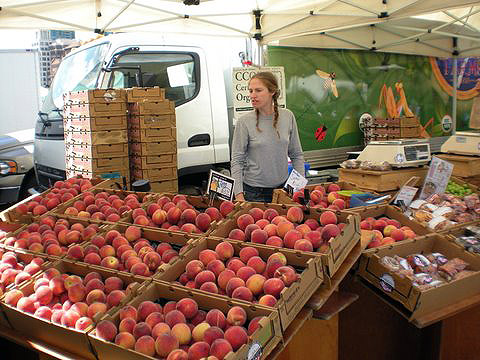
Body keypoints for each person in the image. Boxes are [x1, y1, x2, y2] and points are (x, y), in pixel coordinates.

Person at [231, 71, 305, 203]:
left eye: (258, 90)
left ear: (272, 92)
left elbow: (297, 155)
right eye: (250, 91)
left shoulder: (288, 117)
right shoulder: (244, 122)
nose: (252, 95)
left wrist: (297, 187)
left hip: (283, 191)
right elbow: (237, 161)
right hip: (254, 194)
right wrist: (239, 195)